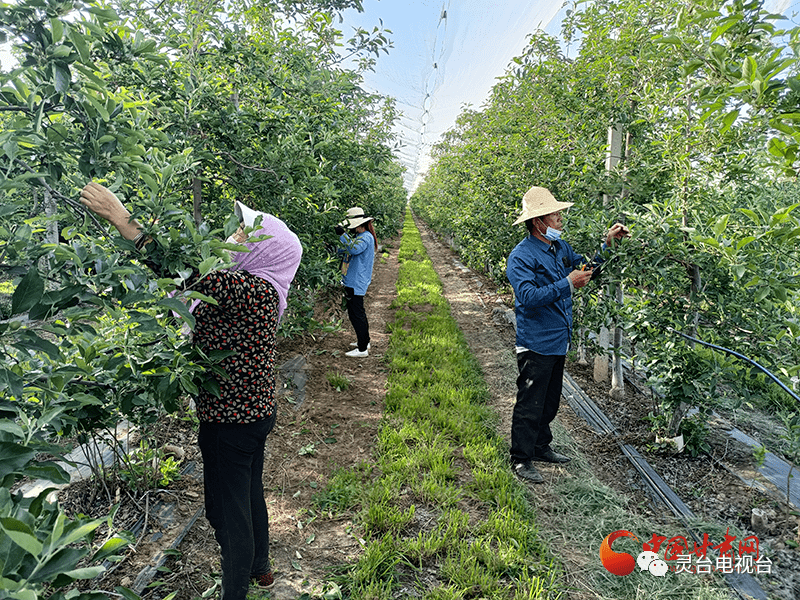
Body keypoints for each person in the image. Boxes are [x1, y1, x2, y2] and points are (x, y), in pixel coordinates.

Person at [79, 182, 303, 598]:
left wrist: (123, 220)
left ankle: (235, 591)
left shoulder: (252, 291)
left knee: (225, 511)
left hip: (231, 421)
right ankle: (261, 568)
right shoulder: (257, 288)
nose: (234, 237)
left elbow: (186, 273)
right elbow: (198, 277)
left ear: (266, 250)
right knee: (249, 493)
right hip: (250, 414)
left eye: (244, 235)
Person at [506, 186, 629, 483]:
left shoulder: (558, 248)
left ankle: (540, 446)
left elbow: (584, 269)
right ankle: (521, 459)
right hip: (536, 341)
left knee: (549, 400)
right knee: (530, 401)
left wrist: (608, 245)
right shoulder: (521, 256)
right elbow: (527, 296)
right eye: (556, 214)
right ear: (539, 221)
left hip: (558, 338)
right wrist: (568, 284)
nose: (561, 218)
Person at [334, 207, 377, 358]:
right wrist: (335, 249)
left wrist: (342, 235)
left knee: (356, 314)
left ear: (359, 225)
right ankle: (364, 340)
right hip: (354, 280)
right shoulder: (363, 236)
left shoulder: (365, 237)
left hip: (356, 282)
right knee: (357, 313)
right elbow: (348, 249)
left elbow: (353, 249)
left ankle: (362, 348)